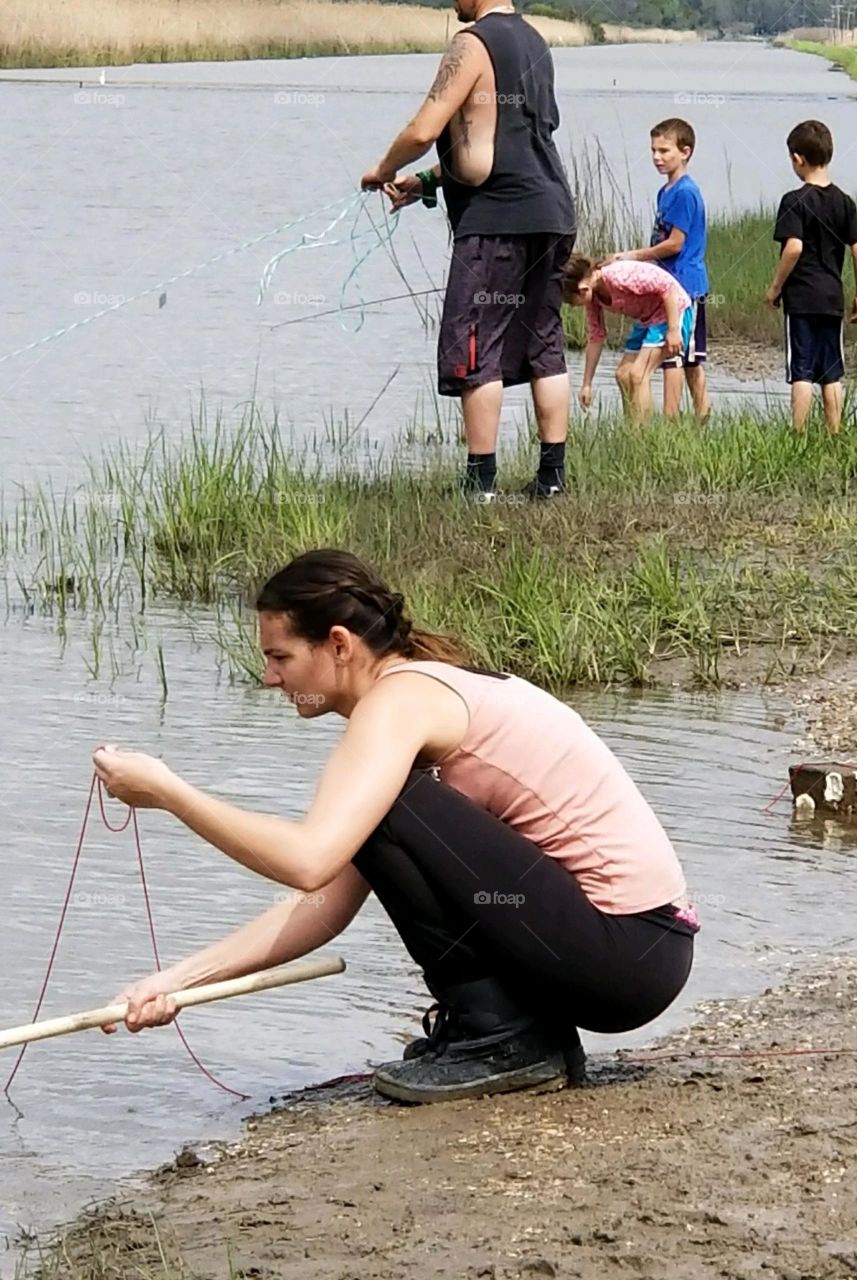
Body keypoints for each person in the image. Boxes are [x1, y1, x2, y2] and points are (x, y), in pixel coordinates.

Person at [92, 549, 699, 1106]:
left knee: (388, 807)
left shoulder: (398, 704)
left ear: (338, 644)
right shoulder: (415, 694)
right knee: (383, 814)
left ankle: (504, 1039)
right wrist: (174, 983)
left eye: (280, 657)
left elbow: (309, 860)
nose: (270, 678)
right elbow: (322, 902)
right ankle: (509, 1032)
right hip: (635, 952)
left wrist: (170, 792)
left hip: (630, 953)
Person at [359, 0, 577, 503]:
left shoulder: (471, 43)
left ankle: (480, 485)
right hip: (553, 213)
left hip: (498, 220)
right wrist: (427, 181)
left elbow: (424, 129)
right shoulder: (537, 43)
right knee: (545, 343)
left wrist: (385, 170)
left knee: (476, 344)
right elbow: (503, 139)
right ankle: (552, 478)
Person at [765, 121, 857, 435]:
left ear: (798, 159)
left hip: (801, 299)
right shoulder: (845, 201)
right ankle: (834, 432)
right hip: (832, 297)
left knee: (801, 370)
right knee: (831, 372)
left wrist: (775, 288)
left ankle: (797, 434)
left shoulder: (792, 200)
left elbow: (793, 248)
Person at [604, 118, 711, 421]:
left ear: (685, 152)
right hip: (664, 285)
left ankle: (676, 420)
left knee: (681, 358)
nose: (656, 157)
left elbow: (675, 243)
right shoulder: (666, 192)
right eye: (653, 150)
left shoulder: (686, 193)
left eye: (664, 151)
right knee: (686, 359)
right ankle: (694, 417)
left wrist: (633, 256)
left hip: (685, 285)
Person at [562, 253, 693, 425]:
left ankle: (642, 435)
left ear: (582, 288)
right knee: (623, 375)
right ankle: (631, 427)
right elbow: (596, 337)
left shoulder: (618, 276)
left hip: (672, 311)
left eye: (572, 301)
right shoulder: (593, 298)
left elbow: (668, 288)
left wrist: (673, 330)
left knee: (638, 375)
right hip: (647, 318)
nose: (573, 306)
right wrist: (587, 384)